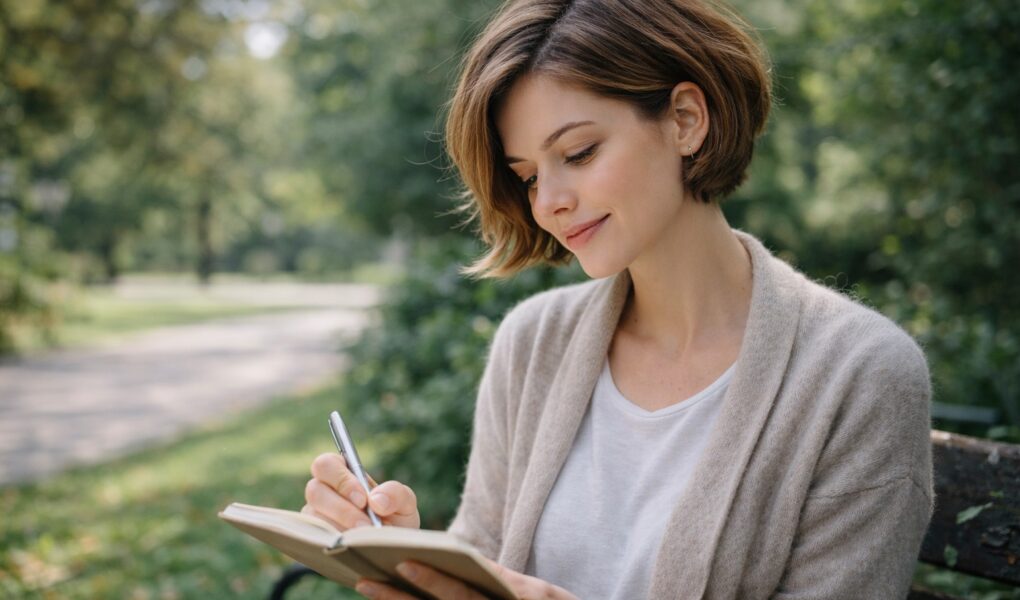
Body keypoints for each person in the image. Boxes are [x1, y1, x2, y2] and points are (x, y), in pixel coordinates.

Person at [303, 0, 934, 598]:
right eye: (527, 176)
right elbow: (489, 560)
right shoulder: (532, 342)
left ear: (686, 120)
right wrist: (410, 551)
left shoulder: (861, 375)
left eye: (578, 153)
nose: (548, 200)